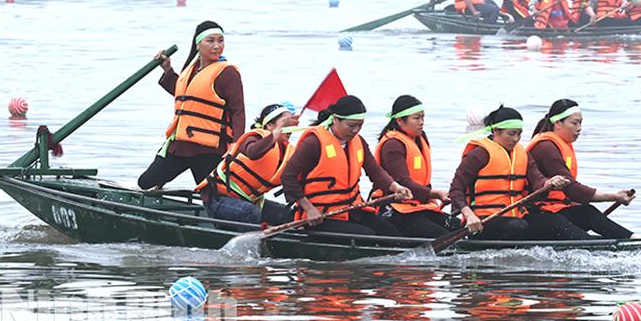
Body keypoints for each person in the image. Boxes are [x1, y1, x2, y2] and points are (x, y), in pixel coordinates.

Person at [281, 95, 413, 236]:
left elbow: (375, 171)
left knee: (390, 231)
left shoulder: (359, 142)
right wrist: (308, 208)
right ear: (336, 119)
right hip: (321, 215)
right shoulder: (314, 143)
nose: (356, 130)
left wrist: (396, 187)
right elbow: (288, 176)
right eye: (351, 125)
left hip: (351, 209)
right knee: (366, 234)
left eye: (360, 125)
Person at [138, 20, 245, 190]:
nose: (217, 46)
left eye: (220, 40)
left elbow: (238, 112)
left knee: (214, 196)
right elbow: (186, 97)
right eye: (210, 41)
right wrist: (167, 70)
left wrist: (236, 146)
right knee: (145, 182)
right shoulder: (191, 68)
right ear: (198, 44)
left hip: (210, 149)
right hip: (180, 146)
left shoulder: (228, 73)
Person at [524, 99, 638, 240]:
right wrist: (613, 196)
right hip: (537, 215)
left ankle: (634, 238)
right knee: (584, 238)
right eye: (574, 123)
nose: (579, 128)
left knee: (587, 212)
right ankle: (615, 243)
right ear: (558, 123)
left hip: (556, 211)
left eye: (580, 123)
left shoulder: (560, 144)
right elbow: (572, 189)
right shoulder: (546, 147)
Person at [449, 106, 567, 240]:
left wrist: (548, 183)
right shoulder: (478, 155)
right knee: (518, 226)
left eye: (519, 133)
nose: (516, 139)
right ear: (495, 131)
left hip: (517, 217)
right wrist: (469, 215)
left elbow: (537, 180)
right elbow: (456, 189)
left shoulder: (523, 154)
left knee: (553, 222)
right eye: (511, 134)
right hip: (483, 222)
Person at [195, 103, 298, 225]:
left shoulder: (284, 151)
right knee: (251, 212)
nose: (290, 129)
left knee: (288, 214)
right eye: (285, 124)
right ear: (269, 125)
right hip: (218, 199)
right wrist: (275, 135)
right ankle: (252, 243)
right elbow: (252, 152)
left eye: (291, 124)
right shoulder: (254, 138)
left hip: (247, 201)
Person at [370, 95, 454, 237]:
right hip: (396, 209)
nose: (421, 122)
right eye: (417, 118)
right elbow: (402, 182)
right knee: (441, 235)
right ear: (400, 121)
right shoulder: (393, 144)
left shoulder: (421, 138)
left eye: (423, 118)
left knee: (458, 227)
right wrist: (436, 194)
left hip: (420, 206)